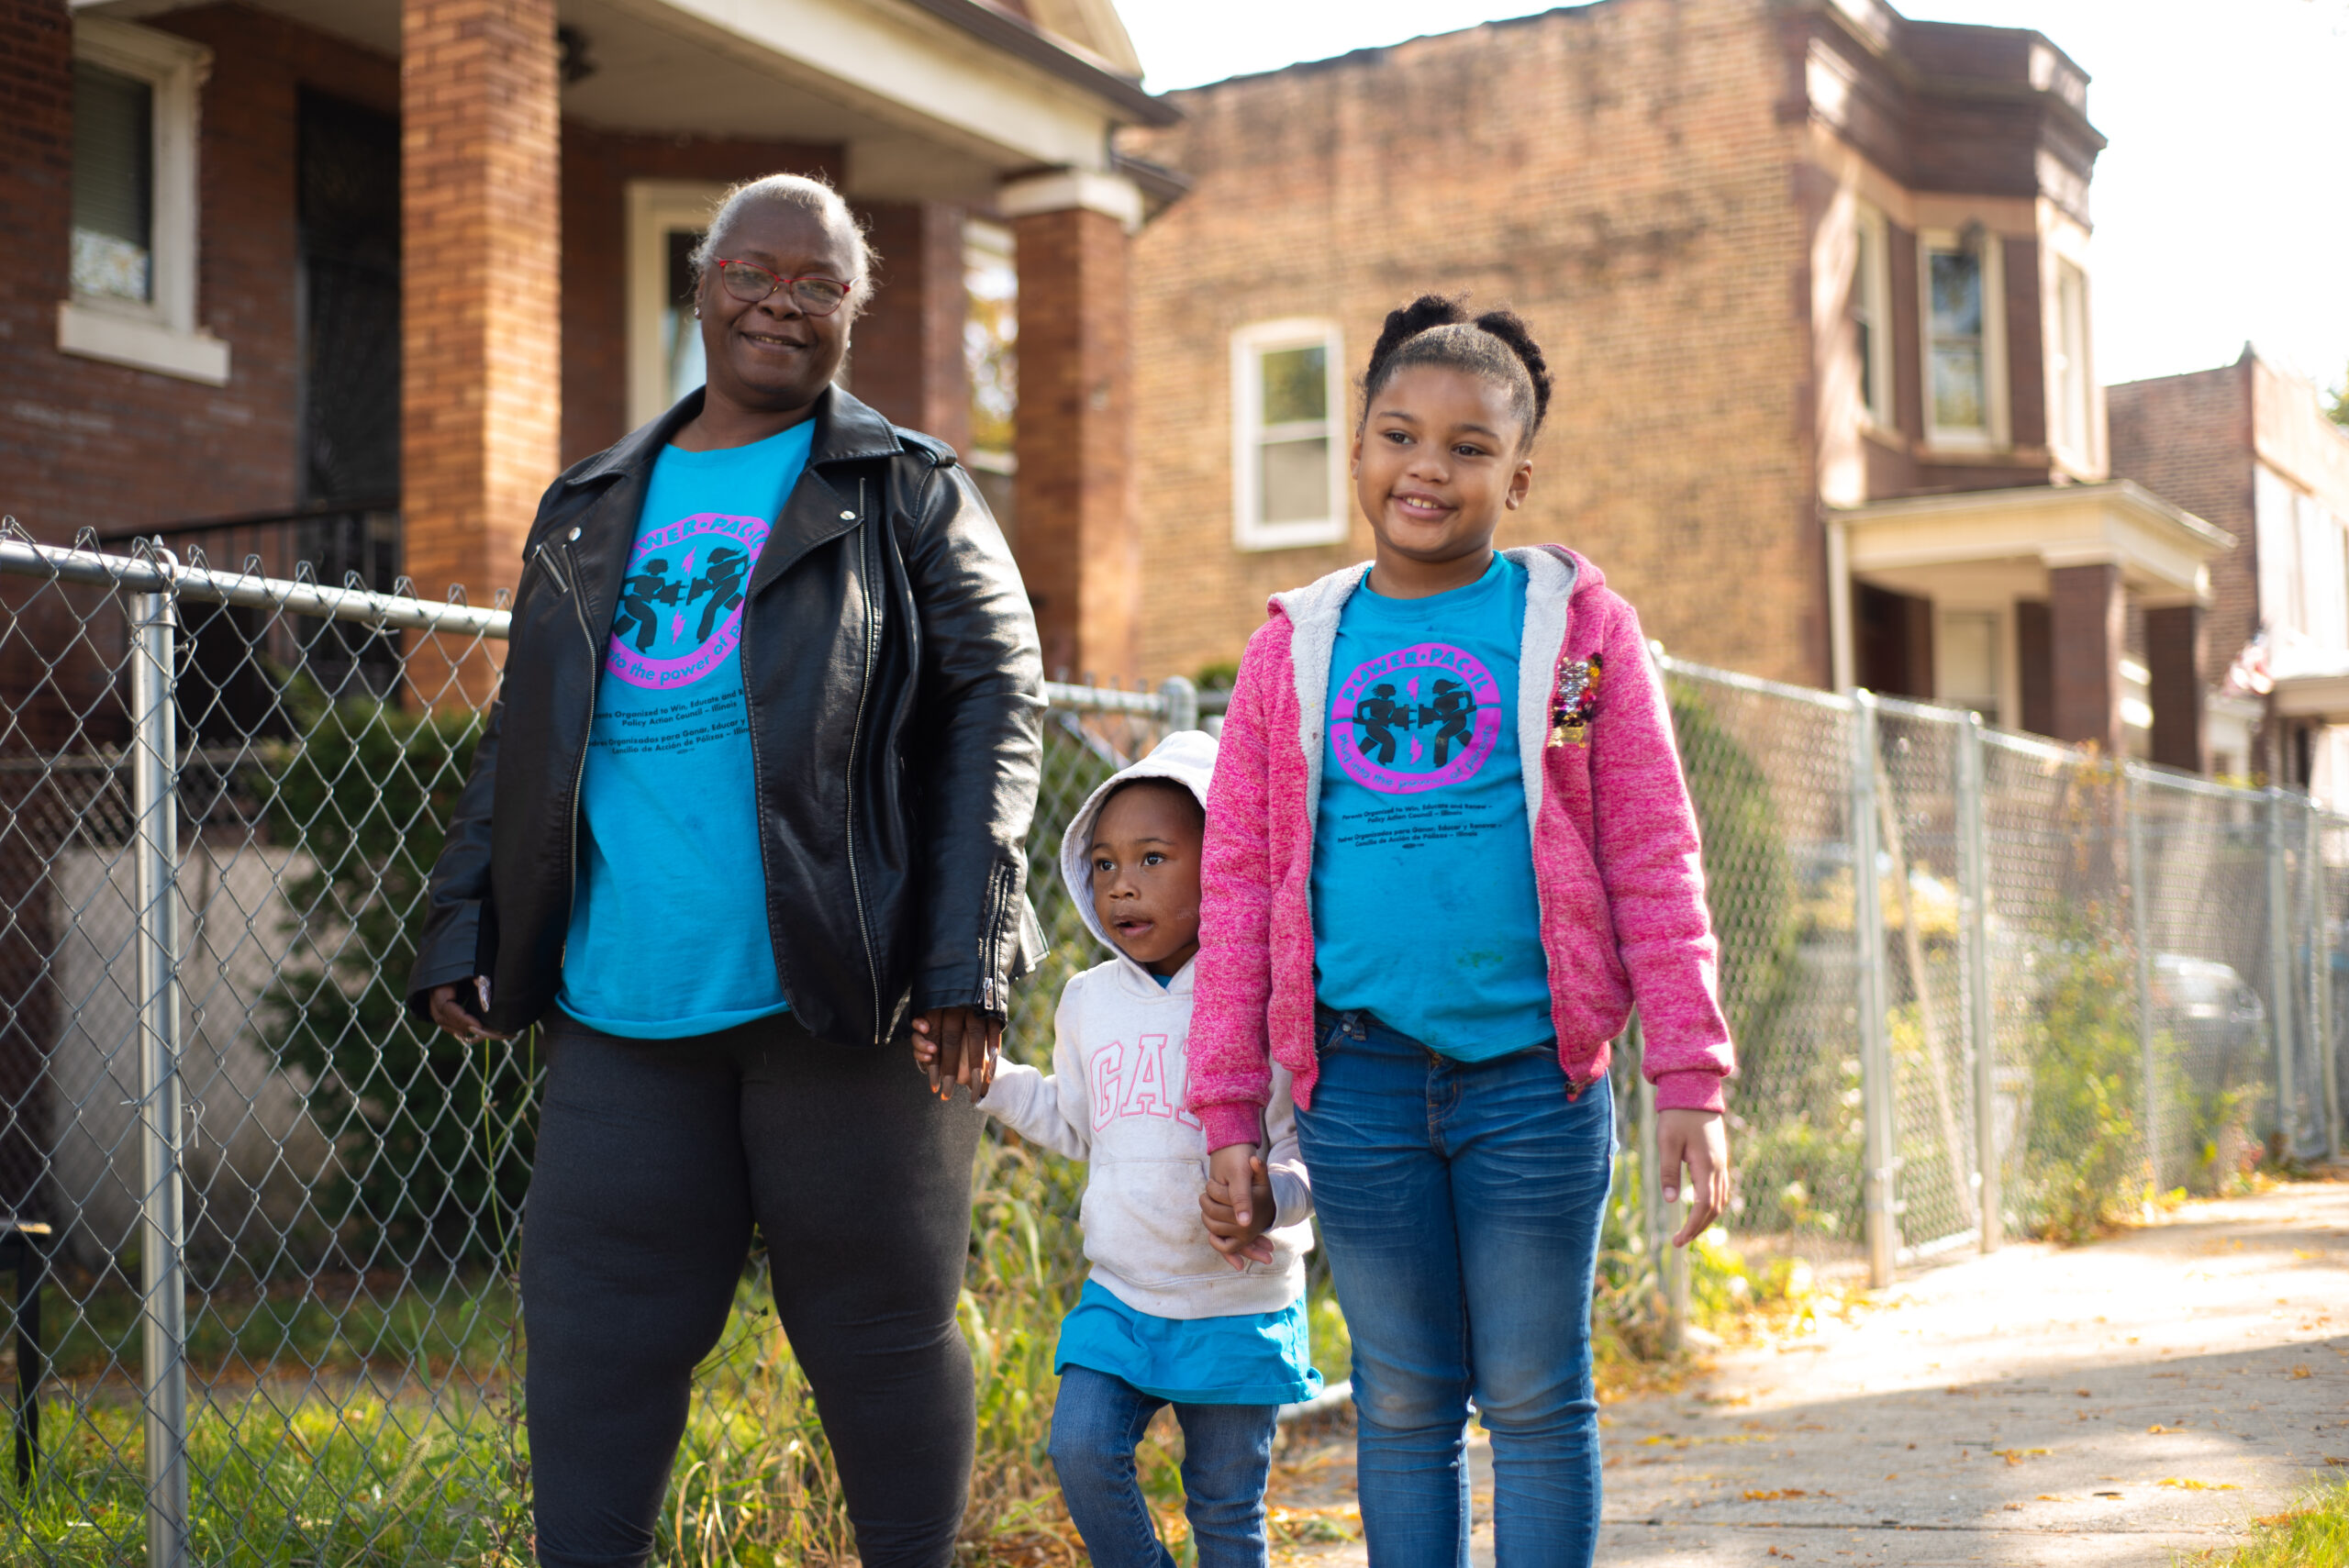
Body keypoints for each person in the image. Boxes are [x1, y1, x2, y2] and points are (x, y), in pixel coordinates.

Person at [406, 172, 1042, 1568]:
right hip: (620, 1003)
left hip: (846, 992)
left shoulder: (908, 487)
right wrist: (469, 912)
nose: (781, 302)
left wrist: (965, 949)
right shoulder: (585, 504)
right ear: (700, 286)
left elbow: (998, 702)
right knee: (593, 1347)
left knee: (879, 1335)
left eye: (817, 284)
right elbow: (529, 730)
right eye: (754, 273)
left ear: (852, 312)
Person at [1186, 295, 1735, 1568]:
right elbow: (1243, 883)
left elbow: (1650, 854)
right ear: (1358, 452)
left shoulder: (1576, 635)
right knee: (1406, 1401)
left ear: (1519, 475)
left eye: (1469, 446)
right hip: (1359, 1082)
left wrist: (1691, 1080)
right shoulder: (1295, 650)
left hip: (1536, 1081)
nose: (1428, 466)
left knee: (1538, 1397)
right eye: (1399, 434)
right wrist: (1228, 1114)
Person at [914, 731, 1319, 1568]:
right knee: (1082, 1450)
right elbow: (1072, 1120)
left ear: (1226, 866)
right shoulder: (1086, 1000)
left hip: (1235, 1299)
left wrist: (1275, 1194)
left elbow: (1309, 1145)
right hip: (1122, 1293)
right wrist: (988, 1076)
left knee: (1225, 1507)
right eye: (1102, 864)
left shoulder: (1267, 995)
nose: (1122, 883)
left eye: (1153, 857)